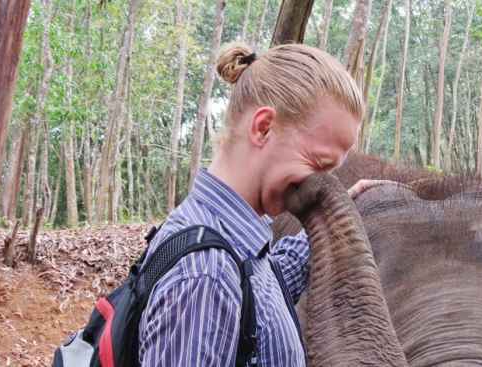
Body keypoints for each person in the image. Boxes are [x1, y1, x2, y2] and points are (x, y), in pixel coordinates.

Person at [137, 41, 368, 366]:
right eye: (319, 165)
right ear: (264, 128)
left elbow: (257, 302)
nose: (321, 185)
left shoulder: (226, 239)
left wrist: (341, 214)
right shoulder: (206, 278)